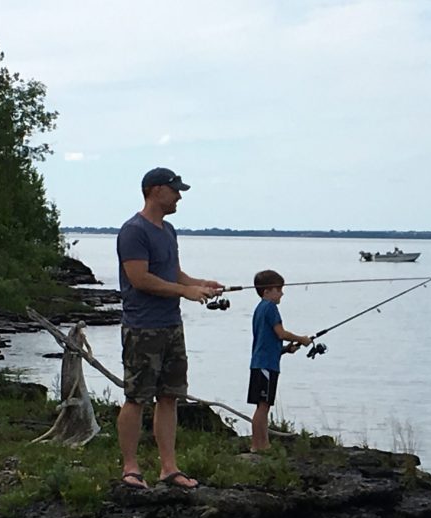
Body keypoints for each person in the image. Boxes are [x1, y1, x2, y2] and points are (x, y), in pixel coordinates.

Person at [116, 167, 222, 489]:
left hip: (171, 326)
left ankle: (169, 468)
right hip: (142, 327)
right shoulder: (133, 231)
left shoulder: (169, 230)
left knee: (170, 397)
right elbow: (140, 278)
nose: (179, 196)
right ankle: (131, 467)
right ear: (155, 190)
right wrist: (185, 292)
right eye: (175, 190)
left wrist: (199, 283)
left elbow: (173, 273)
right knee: (136, 398)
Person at [248, 270, 312, 453]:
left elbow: (267, 340)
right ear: (266, 291)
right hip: (266, 365)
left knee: (262, 406)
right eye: (278, 289)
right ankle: (259, 445)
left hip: (260, 362)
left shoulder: (259, 309)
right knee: (263, 406)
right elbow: (281, 333)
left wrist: (285, 349)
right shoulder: (270, 308)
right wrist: (302, 339)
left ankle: (261, 444)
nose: (281, 293)